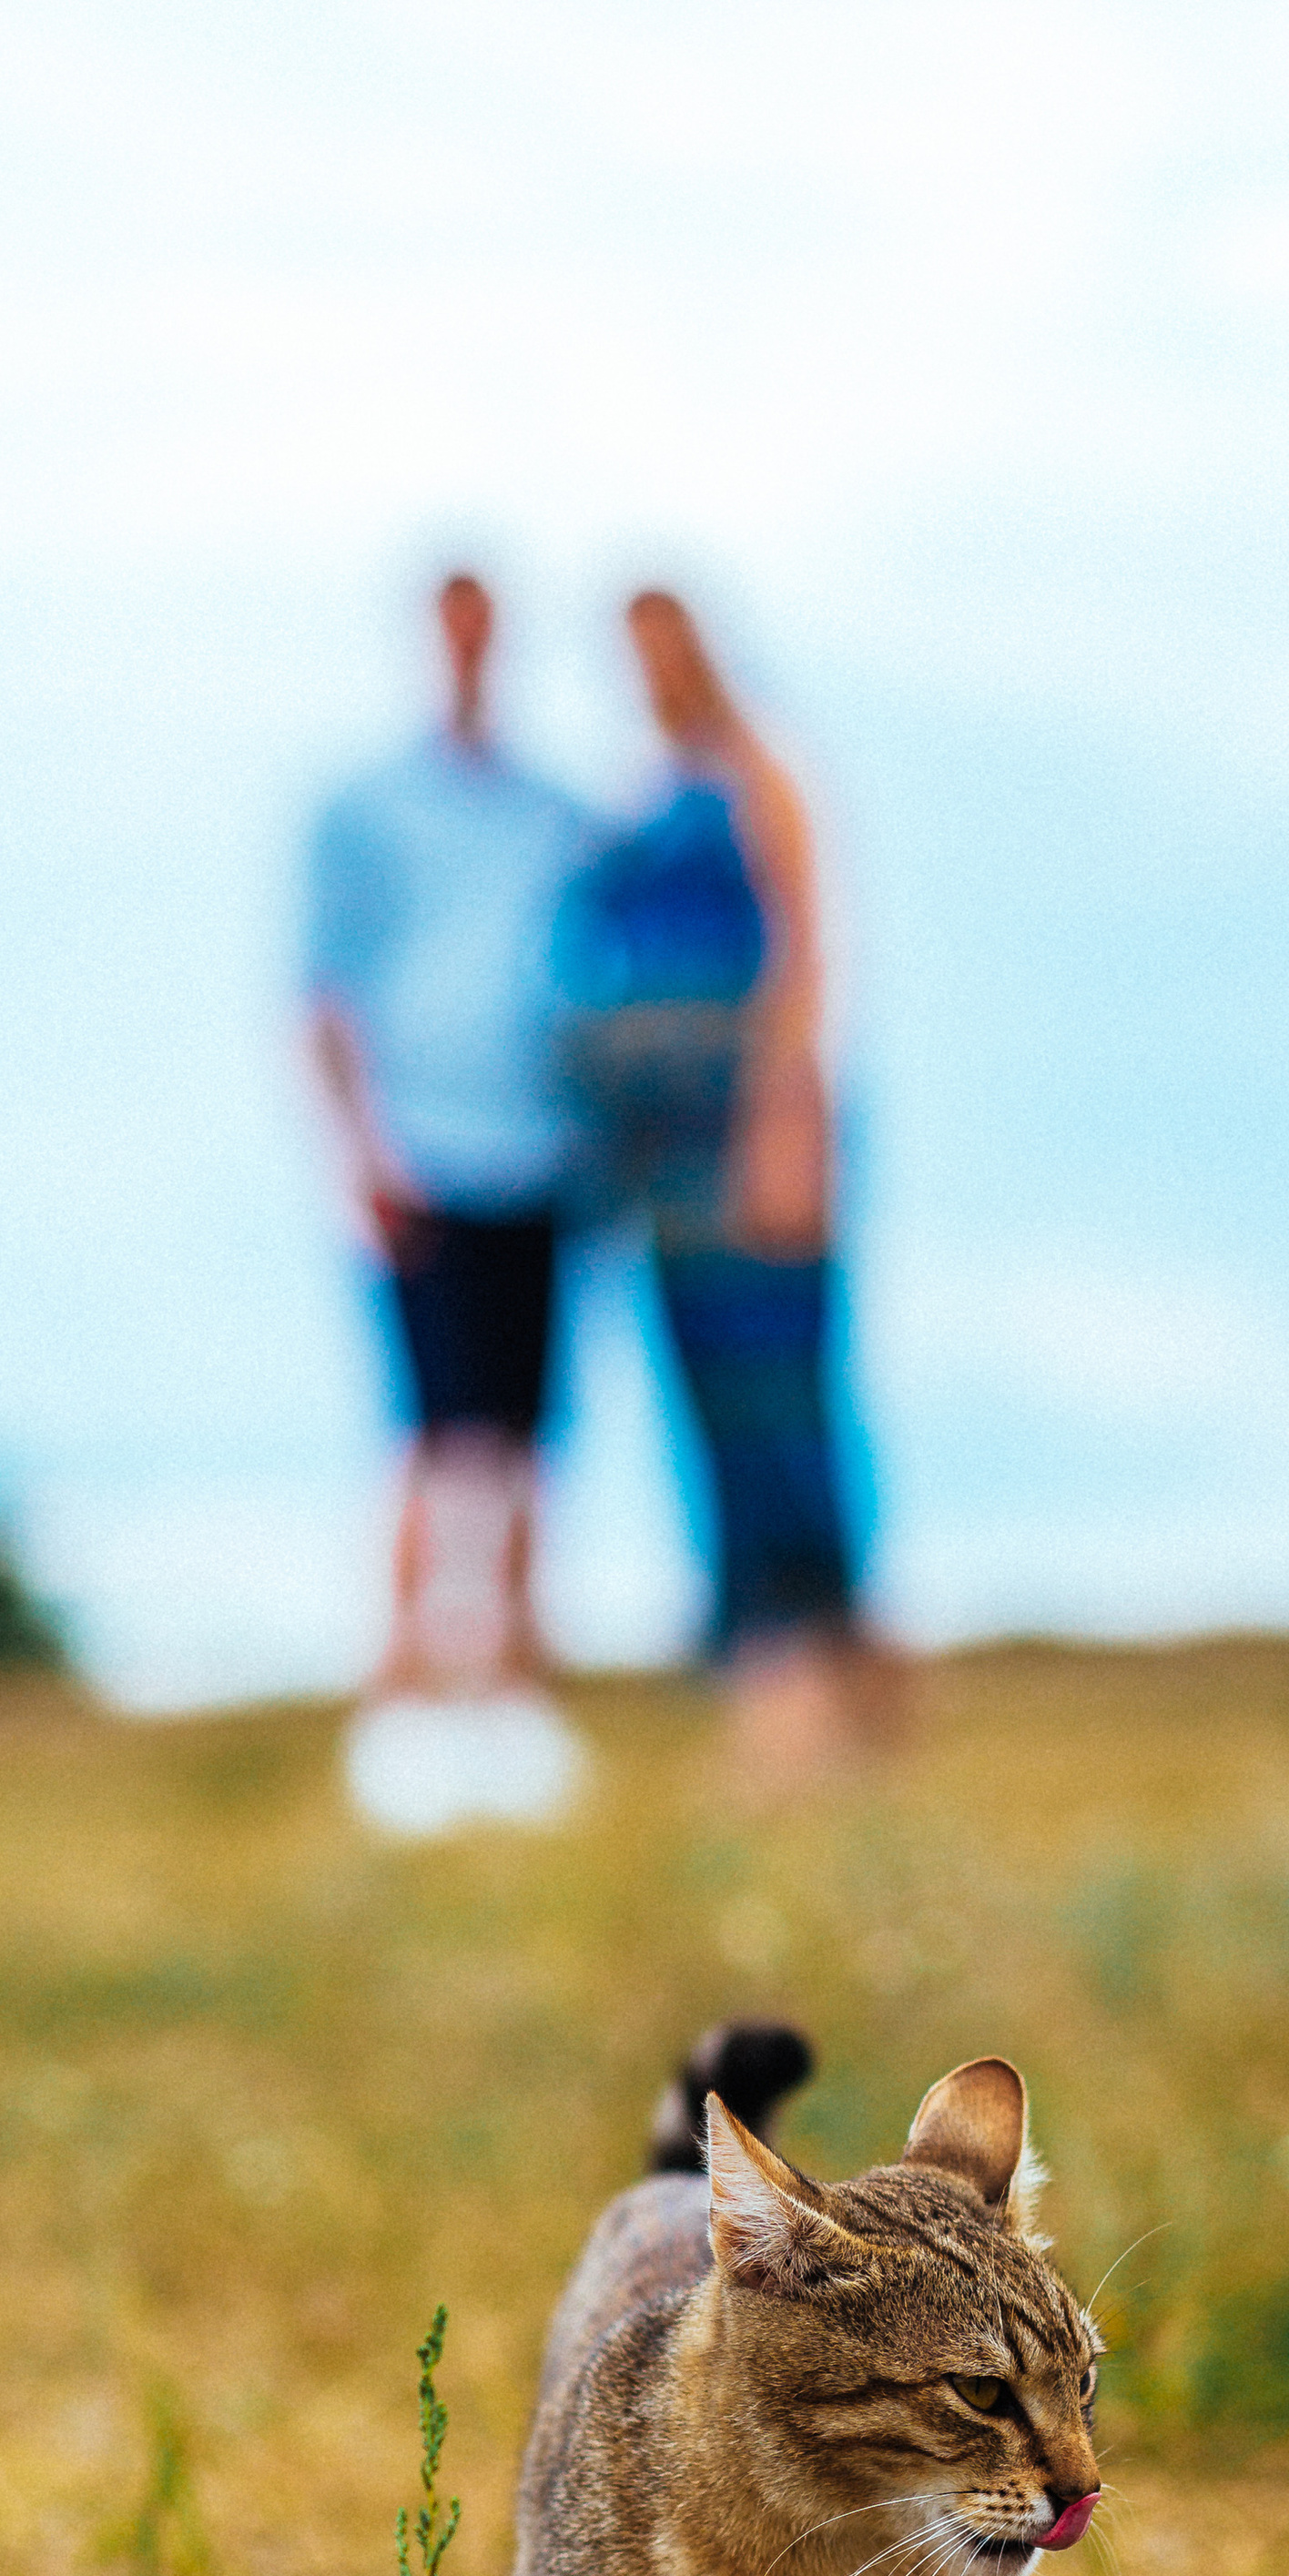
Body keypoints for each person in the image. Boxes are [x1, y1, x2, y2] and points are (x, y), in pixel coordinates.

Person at [559, 589, 872, 1781]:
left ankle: (821, 1678)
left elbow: (803, 947)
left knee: (776, 1394)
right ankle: (755, 1664)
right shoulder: (638, 793)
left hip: (751, 1127)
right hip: (661, 1152)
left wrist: (783, 1120)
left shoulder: (761, 772)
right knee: (704, 1398)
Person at [303, 572, 593, 1832]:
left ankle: (516, 1698)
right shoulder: (362, 810)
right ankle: (402, 1701)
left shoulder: (558, 815)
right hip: (423, 1157)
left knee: (526, 1442)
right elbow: (322, 995)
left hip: (548, 1156)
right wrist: (359, 1153)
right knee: (431, 1437)